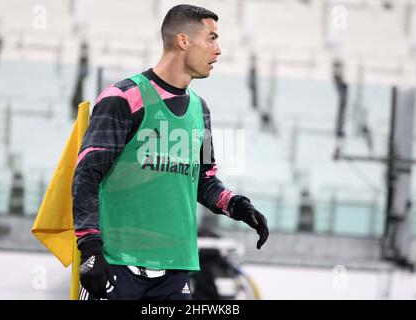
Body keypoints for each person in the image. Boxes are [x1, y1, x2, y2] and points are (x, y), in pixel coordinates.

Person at [72, 4, 269, 300]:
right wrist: (89, 247)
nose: (218, 50)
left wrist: (237, 206)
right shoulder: (124, 97)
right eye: (211, 38)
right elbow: (86, 175)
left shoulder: (200, 110)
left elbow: (203, 179)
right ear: (183, 41)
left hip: (176, 273)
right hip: (117, 266)